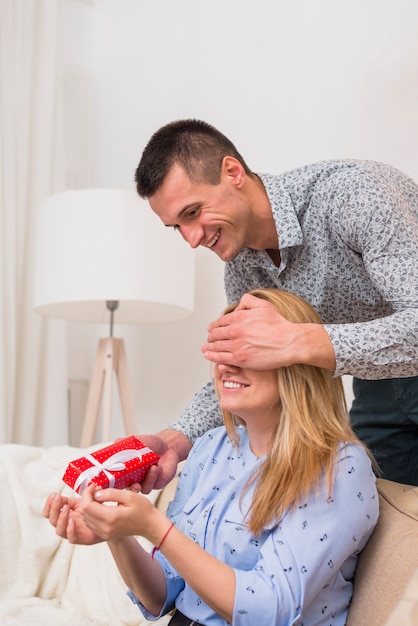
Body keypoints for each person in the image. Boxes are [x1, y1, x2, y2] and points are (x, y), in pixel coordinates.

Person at [44, 288, 379, 626]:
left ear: (296, 361)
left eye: (245, 351)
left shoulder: (340, 467)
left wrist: (155, 527)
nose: (225, 367)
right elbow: (163, 594)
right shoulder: (211, 448)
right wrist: (117, 533)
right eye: (223, 351)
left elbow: (271, 610)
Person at [133, 118, 418, 488]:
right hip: (375, 379)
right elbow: (242, 368)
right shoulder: (241, 267)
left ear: (232, 171)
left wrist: (296, 341)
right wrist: (176, 438)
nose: (191, 239)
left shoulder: (354, 195)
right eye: (177, 226)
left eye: (192, 213)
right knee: (385, 518)